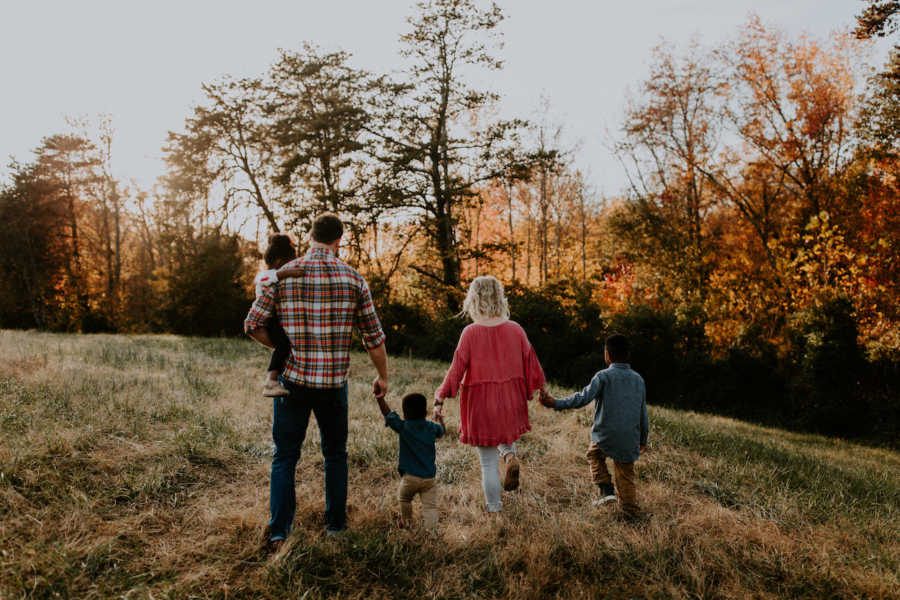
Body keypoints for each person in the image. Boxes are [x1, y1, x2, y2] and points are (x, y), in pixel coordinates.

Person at [244, 213, 389, 548]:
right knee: (336, 454)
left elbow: (252, 323)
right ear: (339, 240)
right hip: (333, 385)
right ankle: (335, 526)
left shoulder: (284, 275)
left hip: (292, 382)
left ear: (310, 236)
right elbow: (374, 338)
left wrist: (286, 349)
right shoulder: (354, 280)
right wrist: (383, 376)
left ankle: (280, 530)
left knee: (285, 456)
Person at [435, 275, 545, 513]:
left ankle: (495, 510)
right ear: (500, 298)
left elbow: (456, 370)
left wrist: (440, 397)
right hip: (511, 400)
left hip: (481, 403)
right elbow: (532, 363)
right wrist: (542, 390)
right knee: (505, 435)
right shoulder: (515, 329)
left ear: (473, 300)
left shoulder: (470, 333)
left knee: (487, 463)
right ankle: (509, 456)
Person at [539, 334, 649, 519]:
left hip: (605, 435)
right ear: (628, 354)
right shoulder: (638, 380)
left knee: (594, 454)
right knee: (626, 475)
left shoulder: (603, 376)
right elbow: (642, 413)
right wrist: (643, 439)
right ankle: (630, 514)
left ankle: (606, 491)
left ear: (607, 355)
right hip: (630, 437)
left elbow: (582, 398)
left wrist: (555, 403)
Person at [375, 392, 445, 530]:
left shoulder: (403, 426)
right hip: (429, 479)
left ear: (404, 414)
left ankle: (407, 524)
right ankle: (432, 533)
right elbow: (442, 431)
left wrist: (380, 399)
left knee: (405, 499)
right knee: (430, 507)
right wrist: (440, 420)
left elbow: (388, 414)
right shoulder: (432, 427)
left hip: (410, 478)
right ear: (425, 412)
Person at [253, 233, 304, 398]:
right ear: (278, 262)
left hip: (277, 318)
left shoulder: (274, 275)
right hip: (270, 320)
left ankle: (277, 377)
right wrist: (287, 273)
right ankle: (271, 381)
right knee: (283, 344)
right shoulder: (265, 275)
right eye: (288, 264)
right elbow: (267, 279)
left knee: (285, 347)